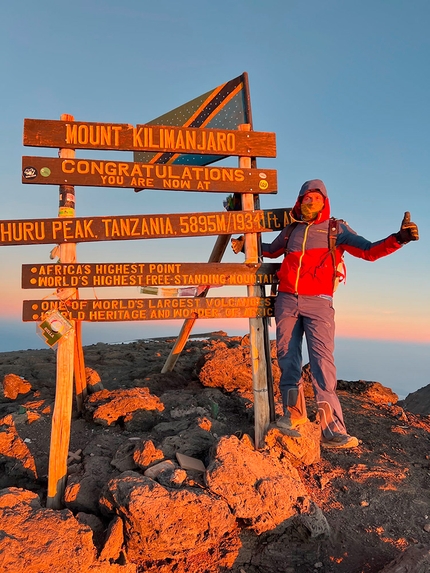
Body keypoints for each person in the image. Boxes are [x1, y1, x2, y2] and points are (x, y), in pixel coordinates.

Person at [231, 179, 419, 449]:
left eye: (315, 199)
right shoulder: (292, 230)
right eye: (306, 199)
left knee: (322, 364)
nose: (310, 203)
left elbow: (368, 251)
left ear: (324, 202)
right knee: (287, 357)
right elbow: (271, 250)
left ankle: (332, 430)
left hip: (319, 303)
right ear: (299, 201)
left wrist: (399, 239)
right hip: (286, 300)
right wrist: (244, 245)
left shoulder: (336, 229)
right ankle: (293, 415)